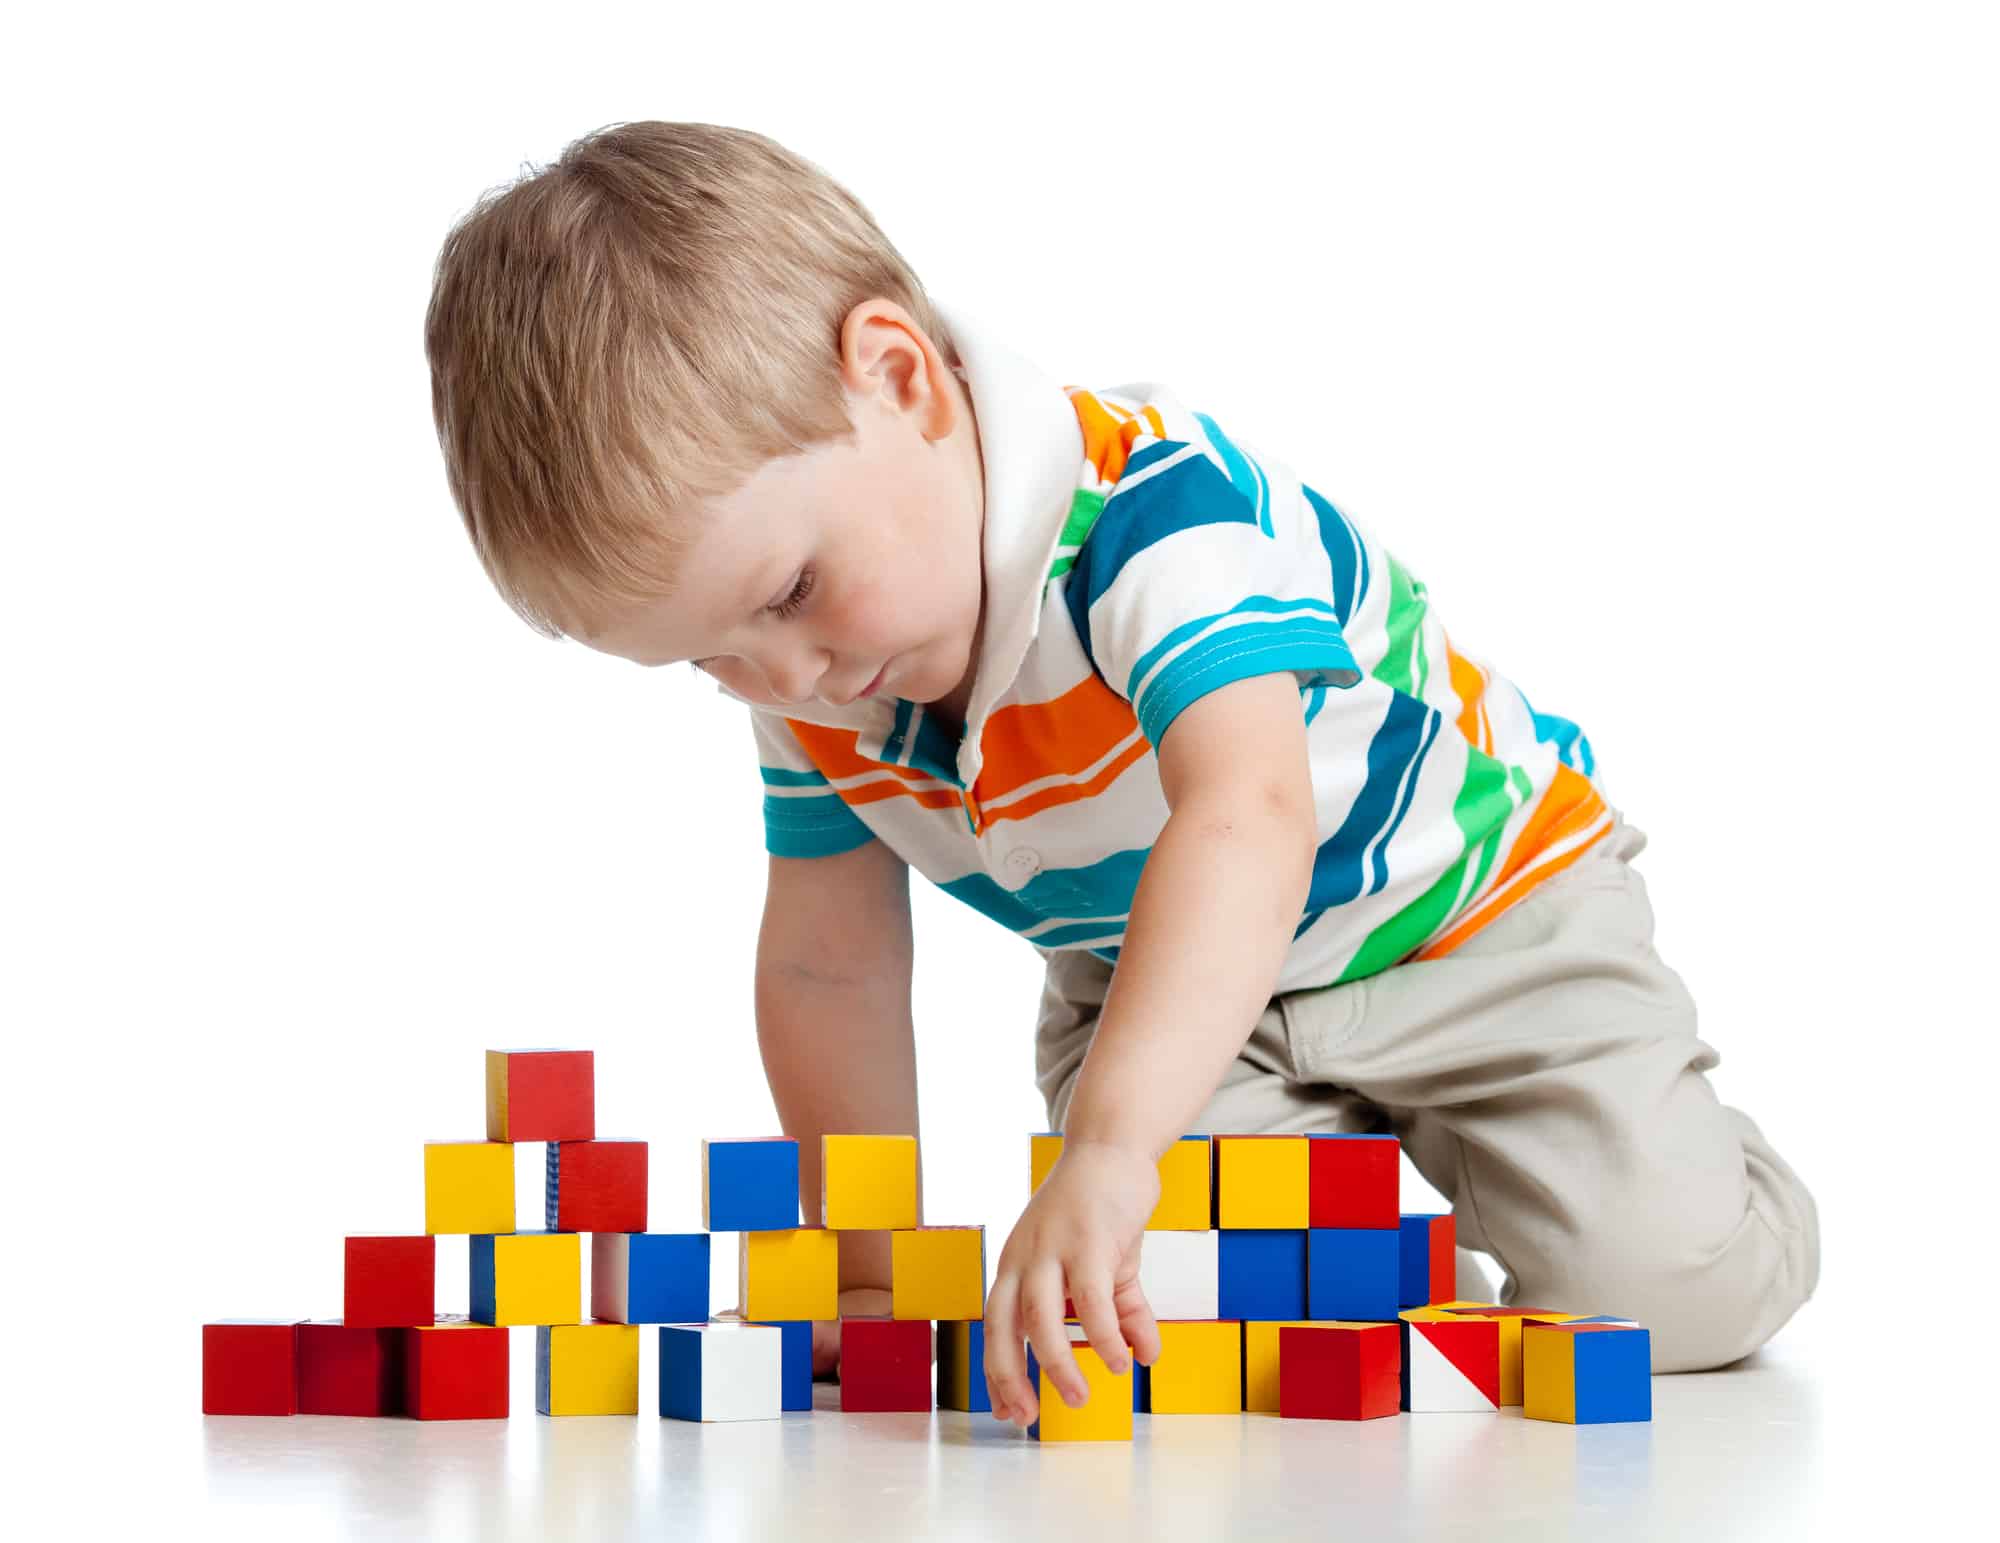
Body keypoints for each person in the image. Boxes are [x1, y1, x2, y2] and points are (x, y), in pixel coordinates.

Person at [424, 120, 1820, 1428]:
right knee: (1202, 1333)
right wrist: (865, 1261)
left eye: (789, 590)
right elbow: (826, 966)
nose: (780, 681)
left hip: (1475, 917)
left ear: (899, 378)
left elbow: (1251, 814)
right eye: (706, 662)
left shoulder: (1152, 517)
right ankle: (1407, 1238)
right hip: (1177, 995)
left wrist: (1106, 1149)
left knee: (1663, 1293)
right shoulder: (819, 683)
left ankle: (1682, 1169)